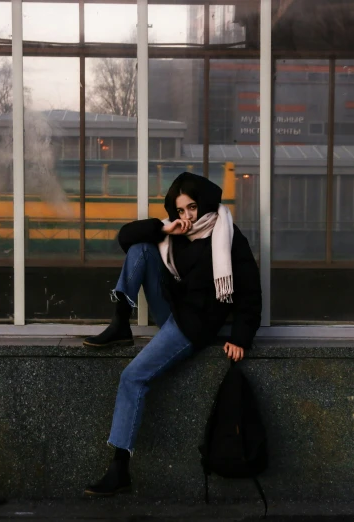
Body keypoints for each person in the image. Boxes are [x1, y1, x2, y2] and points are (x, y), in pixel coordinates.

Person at [82, 172, 262, 496]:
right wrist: (164, 228)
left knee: (133, 376)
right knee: (141, 247)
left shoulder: (228, 236)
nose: (187, 217)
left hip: (193, 324)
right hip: (171, 310)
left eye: (192, 208)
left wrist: (240, 336)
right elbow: (125, 238)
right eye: (180, 210)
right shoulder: (176, 231)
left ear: (204, 202)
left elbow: (249, 292)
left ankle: (120, 468)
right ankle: (121, 321)